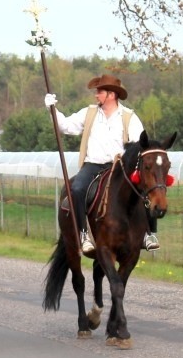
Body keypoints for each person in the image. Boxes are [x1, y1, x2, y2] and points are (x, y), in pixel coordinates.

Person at [44, 73, 160, 254]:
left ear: (111, 95)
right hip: (93, 165)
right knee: (77, 189)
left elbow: (140, 143)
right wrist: (52, 109)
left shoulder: (129, 117)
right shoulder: (89, 113)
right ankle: (83, 235)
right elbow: (65, 126)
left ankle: (148, 234)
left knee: (144, 189)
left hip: (119, 167)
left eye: (100, 91)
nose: (96, 95)